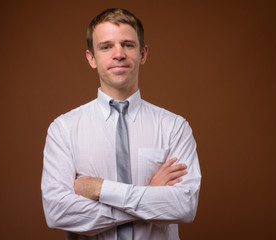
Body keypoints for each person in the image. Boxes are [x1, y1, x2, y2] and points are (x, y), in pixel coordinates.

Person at [41, 8, 201, 240]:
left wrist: (100, 189)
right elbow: (57, 213)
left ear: (143, 53)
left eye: (128, 44)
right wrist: (150, 196)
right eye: (106, 47)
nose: (119, 54)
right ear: (91, 58)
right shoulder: (63, 129)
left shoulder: (175, 127)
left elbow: (184, 207)